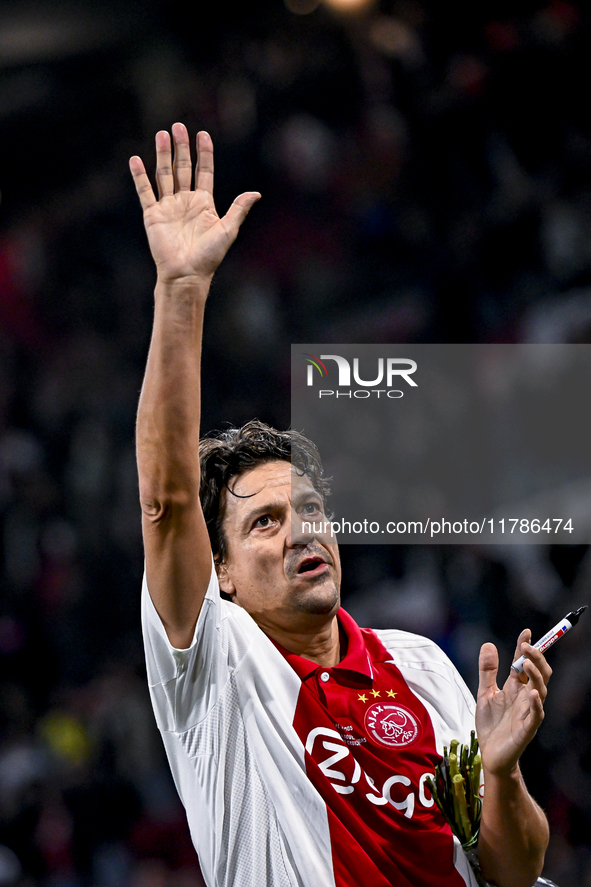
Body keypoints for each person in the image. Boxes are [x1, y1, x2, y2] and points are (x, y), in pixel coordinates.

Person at [130, 123, 551, 887]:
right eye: (265, 520)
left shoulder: (420, 665)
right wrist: (181, 291)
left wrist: (503, 773)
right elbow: (164, 503)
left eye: (313, 509)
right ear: (219, 570)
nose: (303, 531)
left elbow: (512, 870)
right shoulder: (218, 668)